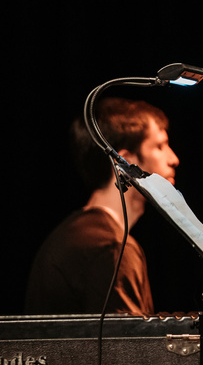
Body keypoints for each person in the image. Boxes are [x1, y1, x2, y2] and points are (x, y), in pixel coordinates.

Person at [25, 97, 180, 316]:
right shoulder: (111, 248)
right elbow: (124, 348)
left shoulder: (75, 234)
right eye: (160, 146)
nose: (174, 158)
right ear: (125, 164)